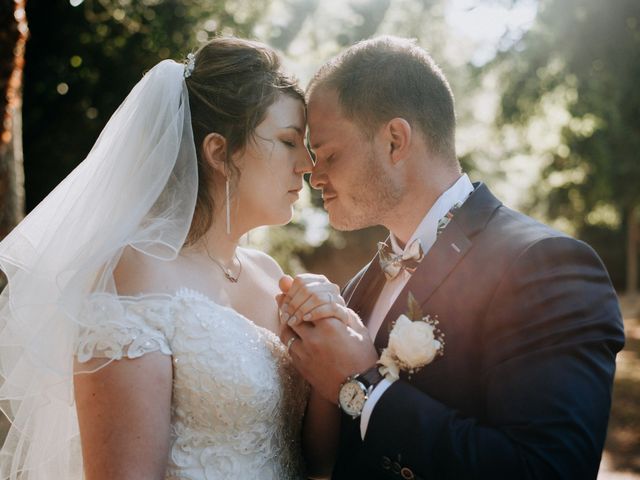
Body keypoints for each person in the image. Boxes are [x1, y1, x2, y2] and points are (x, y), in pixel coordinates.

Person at [278, 35, 625, 479]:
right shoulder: (358, 288)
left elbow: (548, 470)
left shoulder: (546, 265)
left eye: (328, 154)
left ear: (395, 141)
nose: (315, 176)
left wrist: (365, 388)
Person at [0, 37, 337, 479]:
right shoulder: (134, 273)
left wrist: (331, 331)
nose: (307, 165)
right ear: (219, 151)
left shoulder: (271, 276)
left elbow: (317, 462)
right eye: (290, 141)